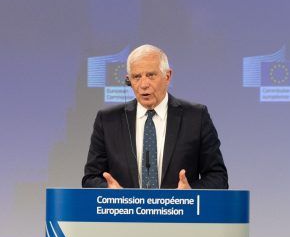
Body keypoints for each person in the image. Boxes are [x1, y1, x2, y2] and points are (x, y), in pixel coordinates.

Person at [82, 44, 228, 189]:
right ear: (128, 81)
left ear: (167, 76)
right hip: (125, 210)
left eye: (151, 75)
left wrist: (190, 193)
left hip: (178, 210)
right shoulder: (108, 120)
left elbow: (217, 177)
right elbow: (90, 178)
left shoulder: (196, 117)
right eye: (136, 77)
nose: (143, 84)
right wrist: (109, 192)